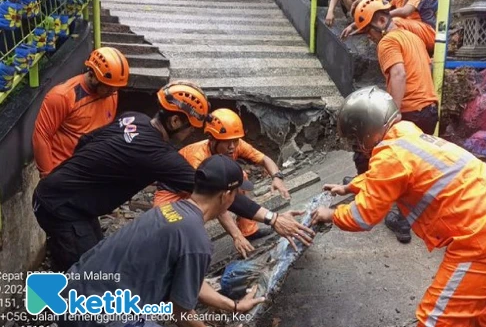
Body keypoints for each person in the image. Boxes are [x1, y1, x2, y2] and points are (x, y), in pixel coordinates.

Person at [311, 87, 486, 327]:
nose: (356, 146)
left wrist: (332, 214)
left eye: (355, 139)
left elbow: (362, 216)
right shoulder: (408, 137)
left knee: (437, 322)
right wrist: (350, 186)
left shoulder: (390, 156)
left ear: (366, 131)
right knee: (476, 306)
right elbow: (390, 177)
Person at [32, 80, 314, 272]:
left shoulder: (133, 118)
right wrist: (273, 218)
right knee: (87, 274)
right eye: (189, 126)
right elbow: (218, 193)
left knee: (96, 256)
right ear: (176, 120)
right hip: (61, 207)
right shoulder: (158, 155)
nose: (190, 133)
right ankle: (70, 324)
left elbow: (86, 143)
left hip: (69, 198)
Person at [57, 155, 265, 327]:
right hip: (97, 321)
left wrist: (234, 306)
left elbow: (192, 283)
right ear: (225, 195)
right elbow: (181, 312)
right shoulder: (195, 239)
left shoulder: (166, 212)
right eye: (236, 193)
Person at [346, 0, 439, 243]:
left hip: (409, 110)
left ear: (381, 20)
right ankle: (401, 213)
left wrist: (393, 115)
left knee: (367, 148)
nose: (369, 37)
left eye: (368, 31)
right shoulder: (412, 36)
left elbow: (398, 73)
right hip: (429, 108)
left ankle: (371, 195)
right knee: (413, 165)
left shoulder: (387, 41)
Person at [154, 108, 290, 244]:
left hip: (202, 188)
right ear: (212, 139)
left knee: (240, 177)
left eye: (235, 140)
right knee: (171, 227)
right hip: (173, 193)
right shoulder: (197, 158)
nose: (232, 147)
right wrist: (236, 236)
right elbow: (213, 199)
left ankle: (249, 231)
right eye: (226, 142)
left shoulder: (235, 144)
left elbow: (264, 159)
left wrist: (277, 177)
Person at [32, 47, 130, 178]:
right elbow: (42, 136)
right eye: (109, 87)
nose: (113, 92)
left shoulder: (111, 94)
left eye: (116, 88)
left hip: (92, 171)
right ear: (94, 76)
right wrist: (48, 177)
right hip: (64, 171)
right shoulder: (62, 96)